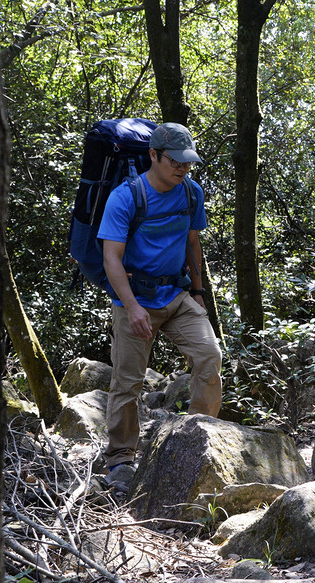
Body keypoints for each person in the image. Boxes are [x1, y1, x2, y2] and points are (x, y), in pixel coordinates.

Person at [99, 122, 222, 483]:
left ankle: (200, 438)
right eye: (174, 161)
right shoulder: (126, 197)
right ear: (153, 155)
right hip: (134, 300)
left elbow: (192, 244)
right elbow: (111, 259)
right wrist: (133, 307)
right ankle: (120, 459)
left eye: (187, 161)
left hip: (178, 295)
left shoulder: (190, 193)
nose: (182, 168)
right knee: (127, 381)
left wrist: (198, 294)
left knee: (209, 356)